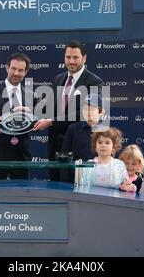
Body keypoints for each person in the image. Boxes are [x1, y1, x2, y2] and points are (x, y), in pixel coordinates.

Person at [33, 40, 103, 182]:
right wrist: (29, 108)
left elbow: (85, 114)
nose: (71, 61)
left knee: (74, 188)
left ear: (84, 58)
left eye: (75, 57)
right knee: (54, 185)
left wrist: (52, 121)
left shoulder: (94, 82)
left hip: (77, 146)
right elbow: (49, 106)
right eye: (68, 57)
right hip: (55, 146)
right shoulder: (59, 78)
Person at [0, 52, 37, 180]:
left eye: (20, 70)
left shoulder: (31, 95)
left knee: (21, 197)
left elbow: (36, 122)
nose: (16, 73)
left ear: (25, 72)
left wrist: (30, 115)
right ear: (7, 68)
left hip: (22, 157)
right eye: (13, 68)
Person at [60, 93, 105, 182]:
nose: (87, 112)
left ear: (100, 111)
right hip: (74, 180)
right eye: (85, 109)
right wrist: (64, 181)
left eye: (91, 109)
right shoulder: (73, 129)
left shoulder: (107, 132)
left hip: (99, 182)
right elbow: (64, 157)